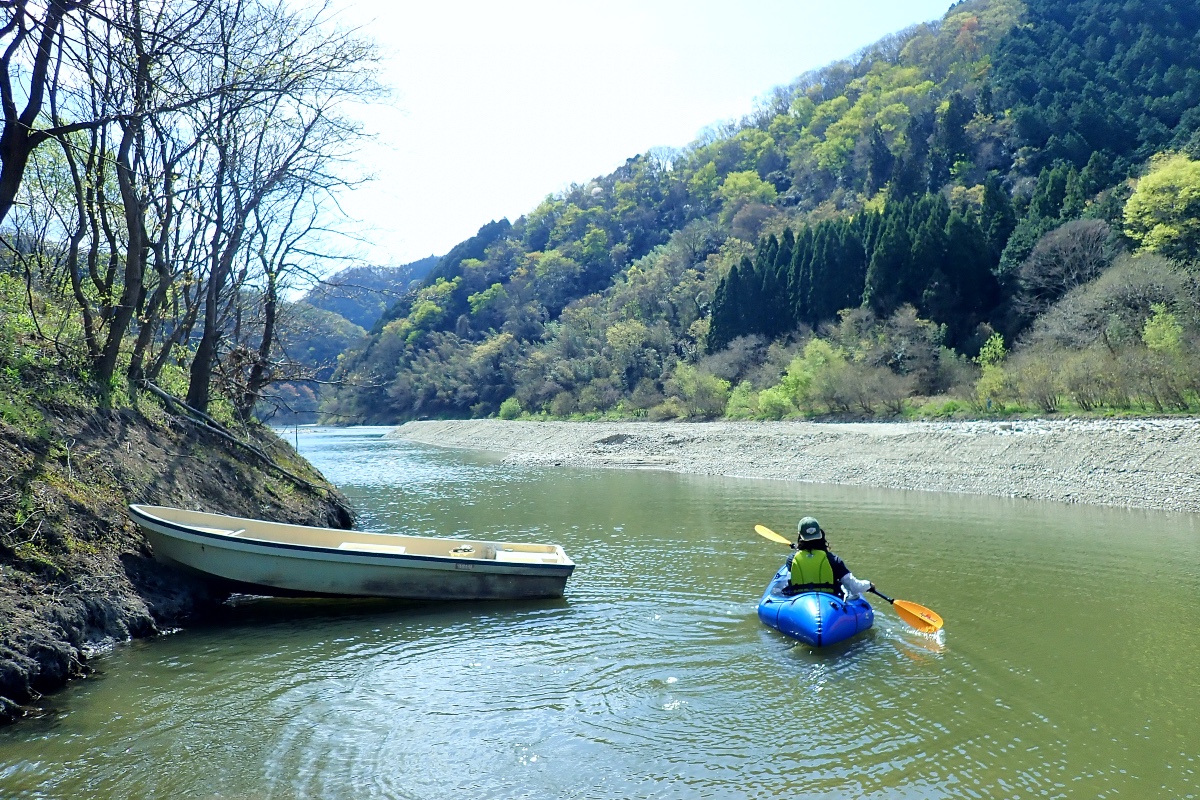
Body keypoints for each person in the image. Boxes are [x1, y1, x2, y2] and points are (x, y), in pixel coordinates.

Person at [783, 517, 873, 600]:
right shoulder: (833, 560)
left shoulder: (791, 560)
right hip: (828, 602)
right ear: (820, 535)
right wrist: (869, 585)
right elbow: (854, 587)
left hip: (800, 601)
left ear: (800, 537)